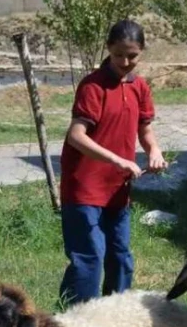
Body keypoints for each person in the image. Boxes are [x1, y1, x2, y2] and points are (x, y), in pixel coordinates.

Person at [58, 19, 166, 308]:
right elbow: (76, 136)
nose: (125, 61)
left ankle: (116, 313)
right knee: (90, 255)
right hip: (84, 187)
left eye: (133, 55)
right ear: (108, 49)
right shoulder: (93, 86)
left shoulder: (139, 87)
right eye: (119, 54)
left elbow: (144, 129)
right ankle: (77, 316)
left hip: (117, 188)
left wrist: (153, 150)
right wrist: (118, 159)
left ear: (142, 52)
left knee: (120, 255)